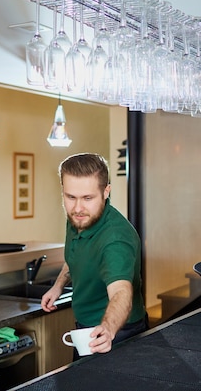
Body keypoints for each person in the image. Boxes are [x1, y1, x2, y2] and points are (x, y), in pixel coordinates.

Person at [41, 153, 148, 357]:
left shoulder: (115, 239)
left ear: (106, 191)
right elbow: (77, 254)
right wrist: (58, 286)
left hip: (117, 332)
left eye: (88, 198)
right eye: (70, 197)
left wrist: (108, 329)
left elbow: (121, 292)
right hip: (85, 327)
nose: (78, 207)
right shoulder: (79, 218)